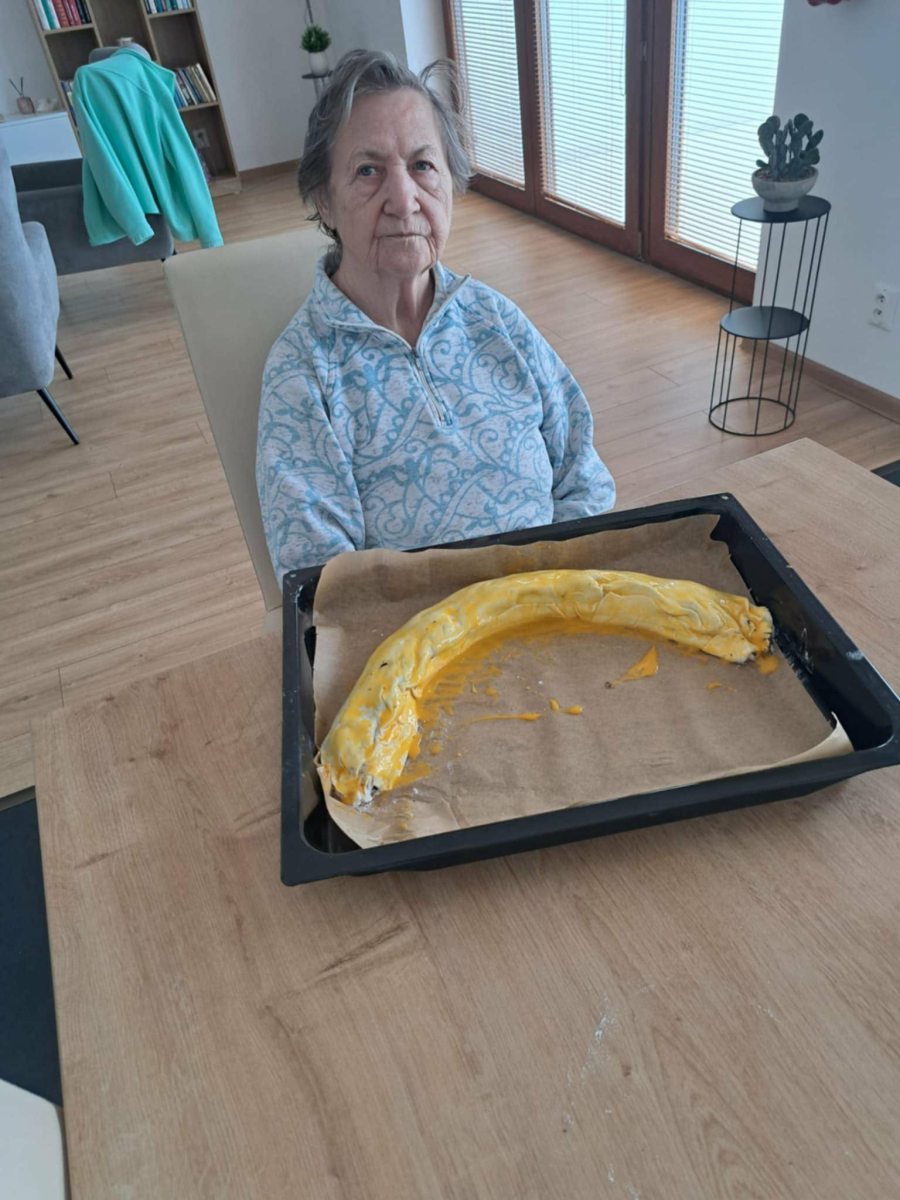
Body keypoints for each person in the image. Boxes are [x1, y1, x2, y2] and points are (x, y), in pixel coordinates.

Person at [256, 49, 615, 583]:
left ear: (451, 181)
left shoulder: (494, 318)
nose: (404, 201)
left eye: (423, 166)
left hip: (556, 601)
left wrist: (559, 591)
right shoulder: (303, 372)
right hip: (422, 631)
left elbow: (582, 474)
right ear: (323, 200)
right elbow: (324, 580)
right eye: (367, 171)